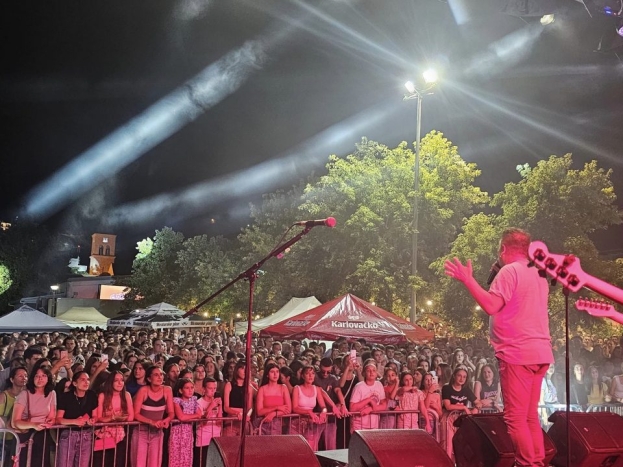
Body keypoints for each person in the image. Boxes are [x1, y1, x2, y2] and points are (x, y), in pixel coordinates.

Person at [445, 227, 554, 467]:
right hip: (541, 352)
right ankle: (537, 462)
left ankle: (529, 464)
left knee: (515, 419)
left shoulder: (510, 271)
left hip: (518, 352)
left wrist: (468, 279)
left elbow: (492, 305)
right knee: (529, 417)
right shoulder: (538, 274)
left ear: (503, 249)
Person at [11, 367, 57, 467]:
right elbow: (15, 422)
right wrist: (34, 425)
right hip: (25, 434)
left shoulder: (52, 393)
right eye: (37, 376)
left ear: (48, 378)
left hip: (43, 435)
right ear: (32, 378)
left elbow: (52, 416)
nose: (40, 378)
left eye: (43, 376)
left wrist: (50, 421)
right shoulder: (24, 394)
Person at [132, 366, 175, 467]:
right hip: (141, 433)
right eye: (156, 375)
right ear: (149, 378)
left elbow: (171, 412)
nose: (160, 377)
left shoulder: (167, 390)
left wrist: (167, 420)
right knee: (139, 464)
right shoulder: (143, 390)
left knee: (155, 464)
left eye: (161, 374)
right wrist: (152, 422)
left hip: (157, 433)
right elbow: (135, 414)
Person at [56, 371, 98, 467]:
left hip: (86, 435)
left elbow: (95, 415)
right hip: (68, 435)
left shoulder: (92, 395)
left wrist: (92, 420)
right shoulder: (66, 397)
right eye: (82, 379)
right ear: (74, 383)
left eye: (87, 379)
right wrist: (74, 421)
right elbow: (58, 419)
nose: (86, 382)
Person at [94, 371, 134, 467]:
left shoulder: (126, 395)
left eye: (122, 380)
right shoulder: (102, 396)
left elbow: (131, 417)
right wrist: (113, 418)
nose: (120, 383)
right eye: (116, 380)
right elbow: (98, 418)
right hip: (104, 435)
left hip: (120, 436)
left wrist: (119, 418)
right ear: (110, 382)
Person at [292, 365, 329, 451]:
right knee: (296, 450)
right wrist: (309, 412)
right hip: (296, 424)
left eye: (312, 373)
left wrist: (323, 412)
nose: (310, 376)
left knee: (310, 450)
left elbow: (323, 406)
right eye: (307, 373)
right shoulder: (297, 388)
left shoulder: (316, 389)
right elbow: (295, 408)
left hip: (310, 424)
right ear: (302, 376)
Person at [170, 378, 202, 467]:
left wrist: (195, 415)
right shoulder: (176, 401)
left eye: (192, 387)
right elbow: (181, 417)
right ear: (180, 390)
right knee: (176, 458)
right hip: (177, 432)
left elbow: (200, 414)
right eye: (187, 388)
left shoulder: (194, 400)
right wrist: (195, 415)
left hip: (188, 432)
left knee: (187, 458)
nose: (190, 390)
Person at [349, 360, 387, 433]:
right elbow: (352, 407)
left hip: (374, 425)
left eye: (373, 370)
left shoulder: (379, 385)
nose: (371, 372)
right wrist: (369, 400)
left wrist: (370, 409)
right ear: (364, 373)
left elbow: (384, 405)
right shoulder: (359, 386)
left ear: (376, 373)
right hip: (359, 425)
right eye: (368, 370)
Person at [256, 362, 291, 435]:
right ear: (267, 375)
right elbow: (259, 411)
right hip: (263, 424)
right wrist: (277, 408)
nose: (275, 374)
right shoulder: (262, 389)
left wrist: (274, 414)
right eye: (272, 372)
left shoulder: (283, 388)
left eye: (277, 372)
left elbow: (288, 409)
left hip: (278, 425)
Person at [194, 378, 222, 467]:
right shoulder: (198, 403)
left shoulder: (216, 402)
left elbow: (219, 422)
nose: (213, 391)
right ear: (204, 389)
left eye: (215, 388)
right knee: (202, 463)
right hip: (203, 439)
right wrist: (210, 406)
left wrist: (220, 407)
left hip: (216, 438)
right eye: (210, 388)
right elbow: (202, 423)